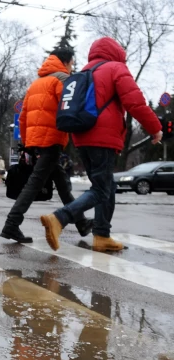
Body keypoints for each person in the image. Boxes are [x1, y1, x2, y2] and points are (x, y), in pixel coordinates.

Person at [40, 38, 162, 252]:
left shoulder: (83, 72)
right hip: (102, 137)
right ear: (116, 52)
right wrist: (155, 128)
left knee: (107, 187)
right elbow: (135, 102)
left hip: (82, 135)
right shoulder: (116, 68)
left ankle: (102, 235)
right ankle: (59, 218)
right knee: (101, 189)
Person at [0, 48, 93, 244]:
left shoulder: (36, 84)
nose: (73, 67)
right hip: (51, 139)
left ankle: (81, 222)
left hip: (36, 140)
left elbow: (23, 117)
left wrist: (27, 143)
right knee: (34, 184)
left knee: (62, 183)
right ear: (66, 62)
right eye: (72, 63)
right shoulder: (61, 81)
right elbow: (69, 107)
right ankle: (11, 224)